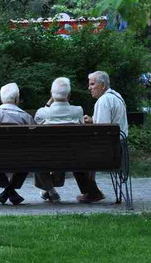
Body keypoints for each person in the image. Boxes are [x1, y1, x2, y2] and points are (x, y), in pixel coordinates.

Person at [77, 71, 129, 203]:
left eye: (92, 84)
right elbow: (108, 124)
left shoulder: (103, 101)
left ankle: (92, 193)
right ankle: (93, 192)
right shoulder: (116, 96)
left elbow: (100, 132)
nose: (89, 88)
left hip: (107, 154)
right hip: (119, 149)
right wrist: (93, 119)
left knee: (75, 157)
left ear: (103, 85)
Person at [0, 83, 35, 205]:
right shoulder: (26, 117)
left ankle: (7, 190)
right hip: (21, 159)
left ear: (1, 98)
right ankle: (11, 190)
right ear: (17, 99)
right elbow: (34, 144)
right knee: (29, 156)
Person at [33, 77, 84, 203]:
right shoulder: (78, 111)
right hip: (70, 156)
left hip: (46, 156)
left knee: (36, 156)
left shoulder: (42, 113)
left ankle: (50, 190)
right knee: (61, 153)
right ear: (69, 95)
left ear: (51, 94)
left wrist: (49, 102)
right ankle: (50, 191)